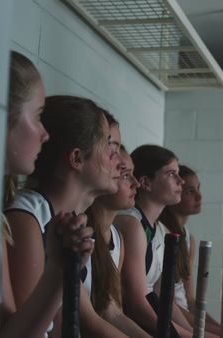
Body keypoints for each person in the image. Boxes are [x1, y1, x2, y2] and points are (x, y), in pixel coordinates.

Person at [5, 95, 128, 337]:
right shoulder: (28, 219)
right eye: (108, 145)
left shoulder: (72, 224)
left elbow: (74, 322)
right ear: (77, 159)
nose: (120, 160)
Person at [0, 51, 95, 338]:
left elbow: (10, 333)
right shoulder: (18, 215)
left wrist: (59, 270)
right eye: (38, 117)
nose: (45, 133)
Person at [114, 145, 221, 338]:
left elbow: (164, 299)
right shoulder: (131, 224)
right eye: (172, 174)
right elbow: (136, 305)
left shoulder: (162, 231)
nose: (180, 181)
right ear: (146, 183)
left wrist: (195, 333)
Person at [158, 165, 223, 338]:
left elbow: (190, 300)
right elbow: (169, 304)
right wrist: (216, 333)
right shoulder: (163, 236)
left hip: (185, 317)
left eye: (198, 188)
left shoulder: (189, 238)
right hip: (171, 320)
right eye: (189, 191)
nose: (199, 196)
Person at [87, 138, 154, 338]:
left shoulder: (117, 238)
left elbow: (113, 312)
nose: (135, 183)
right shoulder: (81, 231)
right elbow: (91, 318)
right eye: (125, 175)